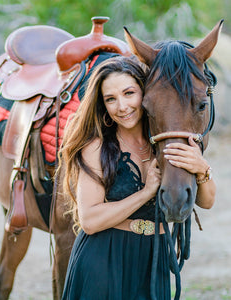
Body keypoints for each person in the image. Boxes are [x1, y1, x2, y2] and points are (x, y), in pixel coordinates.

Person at [59, 55, 216, 300]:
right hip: (105, 258)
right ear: (103, 106)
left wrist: (201, 168)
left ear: (145, 93)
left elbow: (206, 202)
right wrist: (146, 193)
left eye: (129, 93)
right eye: (111, 99)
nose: (122, 106)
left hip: (154, 260)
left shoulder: (167, 140)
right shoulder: (97, 147)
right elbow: (89, 220)